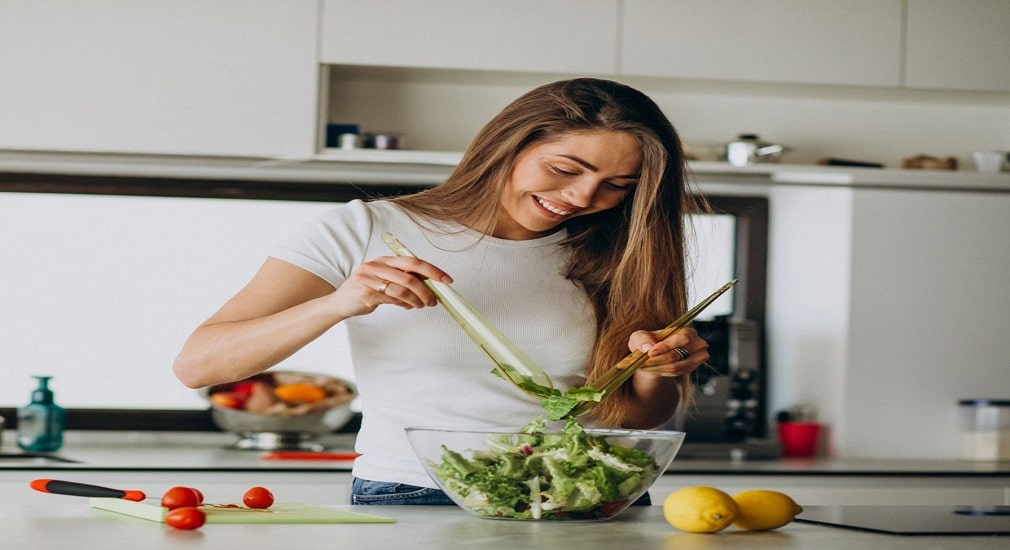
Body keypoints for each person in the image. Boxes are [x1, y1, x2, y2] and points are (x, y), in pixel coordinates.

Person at [173, 78, 711, 505]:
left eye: (619, 186)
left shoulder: (623, 249)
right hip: (414, 492)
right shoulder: (362, 229)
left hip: (588, 495)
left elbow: (637, 418)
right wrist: (341, 302)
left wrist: (654, 371)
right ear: (509, 146)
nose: (581, 196)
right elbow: (200, 365)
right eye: (564, 169)